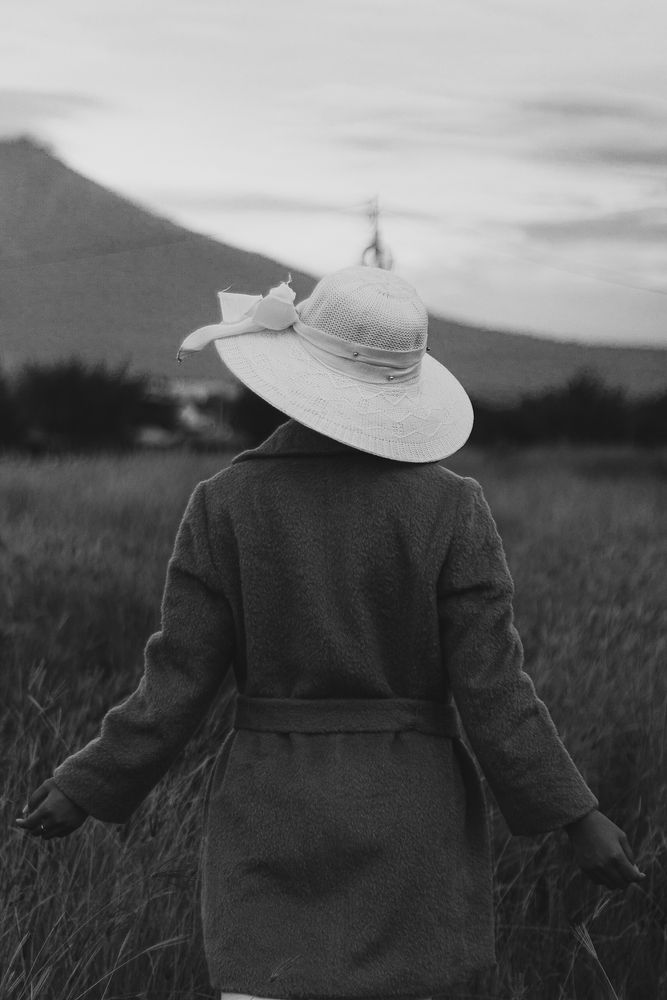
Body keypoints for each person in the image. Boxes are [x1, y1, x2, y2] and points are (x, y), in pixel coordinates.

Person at [15, 266, 645, 999]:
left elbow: (176, 680)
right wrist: (577, 816)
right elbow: (495, 691)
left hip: (270, 811)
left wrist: (86, 784)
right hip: (411, 819)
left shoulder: (224, 504)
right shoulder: (452, 508)